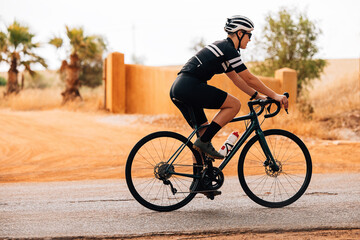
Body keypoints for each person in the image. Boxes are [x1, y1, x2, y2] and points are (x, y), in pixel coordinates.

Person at [170, 15, 289, 160]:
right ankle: (203, 142)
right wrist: (275, 95)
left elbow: (237, 80)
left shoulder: (224, 50)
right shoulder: (228, 49)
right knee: (234, 105)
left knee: (204, 132)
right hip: (190, 86)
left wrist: (259, 97)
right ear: (240, 33)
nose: (250, 39)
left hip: (180, 87)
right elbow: (249, 78)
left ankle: (200, 179)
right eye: (249, 35)